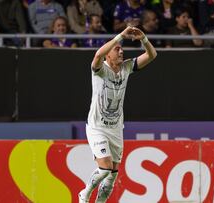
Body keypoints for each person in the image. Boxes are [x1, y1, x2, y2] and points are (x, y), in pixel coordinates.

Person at [78, 26, 157, 203]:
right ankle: (85, 193)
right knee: (104, 169)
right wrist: (121, 36)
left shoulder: (127, 67)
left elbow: (152, 55)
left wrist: (144, 38)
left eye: (122, 48)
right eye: (117, 49)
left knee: (112, 175)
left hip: (115, 129)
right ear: (108, 54)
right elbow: (98, 55)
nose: (121, 51)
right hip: (97, 127)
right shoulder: (99, 69)